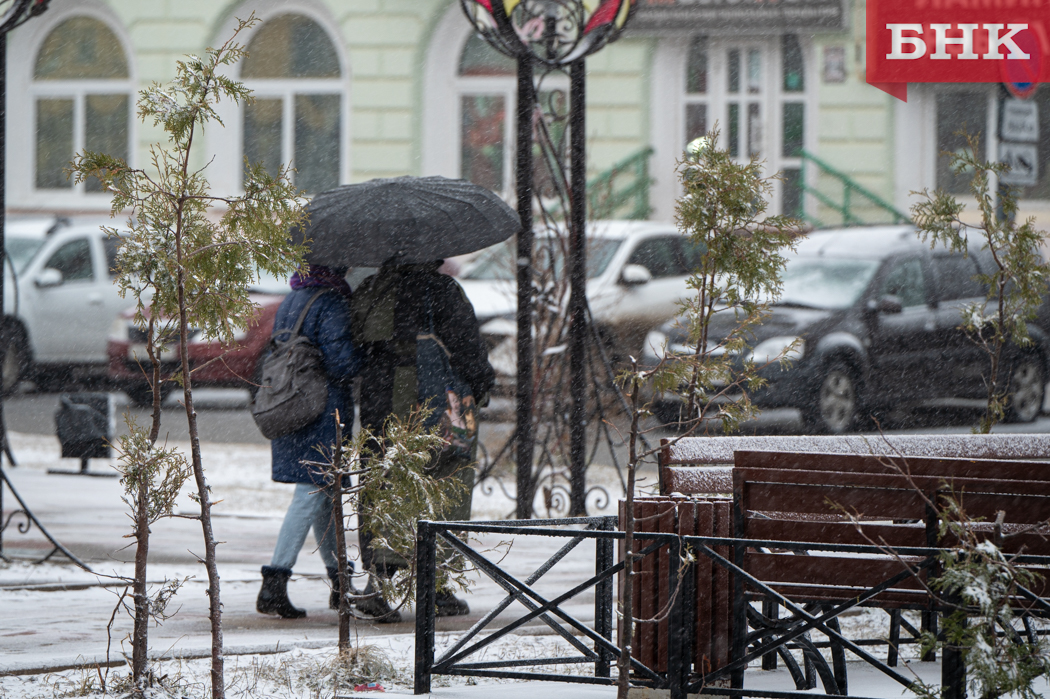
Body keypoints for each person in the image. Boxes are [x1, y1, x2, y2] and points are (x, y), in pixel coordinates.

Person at [351, 259, 496, 622]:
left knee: (382, 480)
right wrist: (479, 387)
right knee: (444, 481)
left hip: (379, 399)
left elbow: (354, 346)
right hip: (438, 402)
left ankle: (378, 583)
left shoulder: (372, 288)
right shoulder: (443, 291)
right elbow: (469, 350)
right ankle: (436, 587)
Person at [256, 264, 360, 619]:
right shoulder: (331, 301)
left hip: (294, 404)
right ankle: (275, 581)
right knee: (311, 491)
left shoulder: (293, 297)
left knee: (324, 492)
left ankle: (340, 583)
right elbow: (341, 363)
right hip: (322, 408)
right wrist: (367, 354)